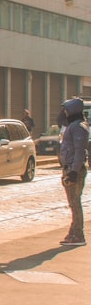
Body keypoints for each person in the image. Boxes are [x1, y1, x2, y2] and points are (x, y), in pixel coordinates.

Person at [58, 97, 89, 246]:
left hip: (73, 168)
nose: (64, 112)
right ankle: (74, 232)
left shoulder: (77, 127)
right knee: (73, 203)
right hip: (69, 167)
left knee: (75, 203)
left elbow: (79, 151)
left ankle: (78, 234)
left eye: (66, 110)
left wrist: (73, 172)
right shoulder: (73, 125)